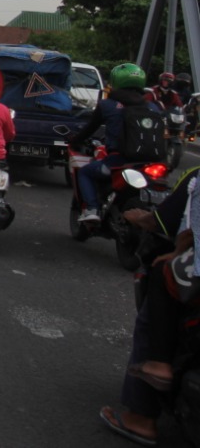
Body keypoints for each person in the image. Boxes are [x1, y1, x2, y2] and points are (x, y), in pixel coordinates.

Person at [100, 176, 199, 446]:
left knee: (160, 278)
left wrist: (179, 250)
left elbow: (169, 224)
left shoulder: (195, 176)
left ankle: (141, 416)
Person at [70, 62, 160, 224]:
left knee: (85, 172)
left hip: (117, 162)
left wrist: (74, 140)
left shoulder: (107, 105)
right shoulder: (153, 107)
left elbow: (89, 129)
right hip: (149, 163)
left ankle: (92, 209)